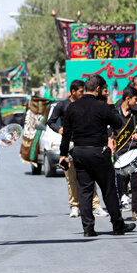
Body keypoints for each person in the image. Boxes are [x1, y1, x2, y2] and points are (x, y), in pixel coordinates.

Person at [59, 74, 136, 237]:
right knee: (108, 190)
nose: (106, 92)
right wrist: (109, 106)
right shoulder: (102, 106)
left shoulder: (72, 107)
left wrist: (63, 154)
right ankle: (117, 225)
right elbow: (118, 123)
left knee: (85, 191)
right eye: (104, 89)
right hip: (98, 152)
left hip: (79, 152)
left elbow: (66, 134)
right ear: (97, 89)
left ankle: (88, 229)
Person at [47, 79, 107, 218]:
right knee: (71, 178)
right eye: (80, 91)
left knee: (90, 176)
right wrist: (60, 129)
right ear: (73, 92)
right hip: (69, 144)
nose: (83, 93)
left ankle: (96, 205)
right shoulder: (62, 105)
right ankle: (74, 206)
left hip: (85, 144)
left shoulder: (86, 104)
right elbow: (51, 121)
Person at [109, 86, 137, 221]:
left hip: (134, 151)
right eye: (135, 99)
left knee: (136, 184)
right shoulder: (114, 113)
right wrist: (111, 143)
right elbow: (109, 132)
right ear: (127, 98)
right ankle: (117, 212)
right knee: (118, 185)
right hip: (119, 153)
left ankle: (136, 211)